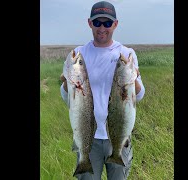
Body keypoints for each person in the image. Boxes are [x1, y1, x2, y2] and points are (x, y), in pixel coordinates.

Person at [60, 1, 145, 179]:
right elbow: (65, 96)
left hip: (119, 135)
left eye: (107, 23)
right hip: (88, 136)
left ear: (115, 24)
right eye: (98, 22)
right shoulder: (79, 54)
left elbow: (140, 95)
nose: (102, 28)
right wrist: (67, 81)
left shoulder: (127, 53)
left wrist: (133, 79)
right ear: (90, 23)